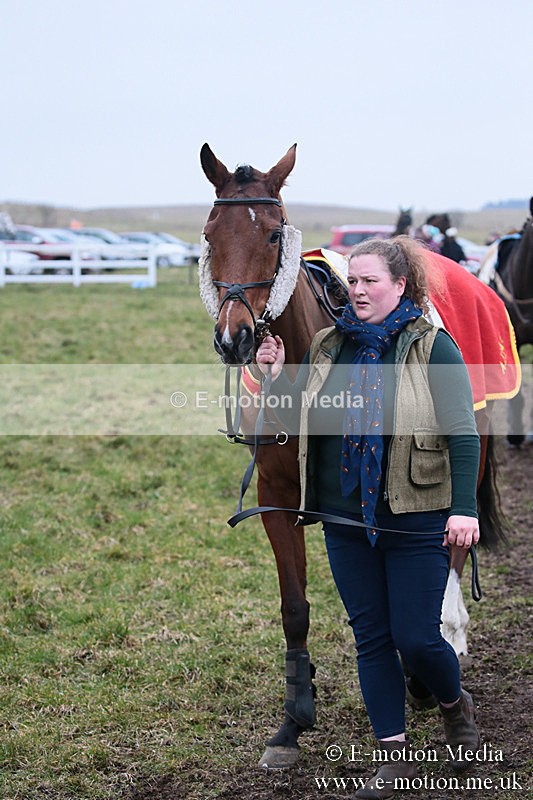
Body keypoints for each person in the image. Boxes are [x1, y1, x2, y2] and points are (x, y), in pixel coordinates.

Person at [256, 236, 481, 798]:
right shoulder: (331, 345)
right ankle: (391, 756)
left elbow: (462, 432)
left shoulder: (433, 348)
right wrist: (279, 373)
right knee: (372, 640)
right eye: (352, 281)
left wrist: (464, 509)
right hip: (346, 519)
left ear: (399, 286)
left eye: (369, 281)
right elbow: (303, 412)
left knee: (417, 639)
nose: (357, 290)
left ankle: (455, 705)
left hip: (416, 515)